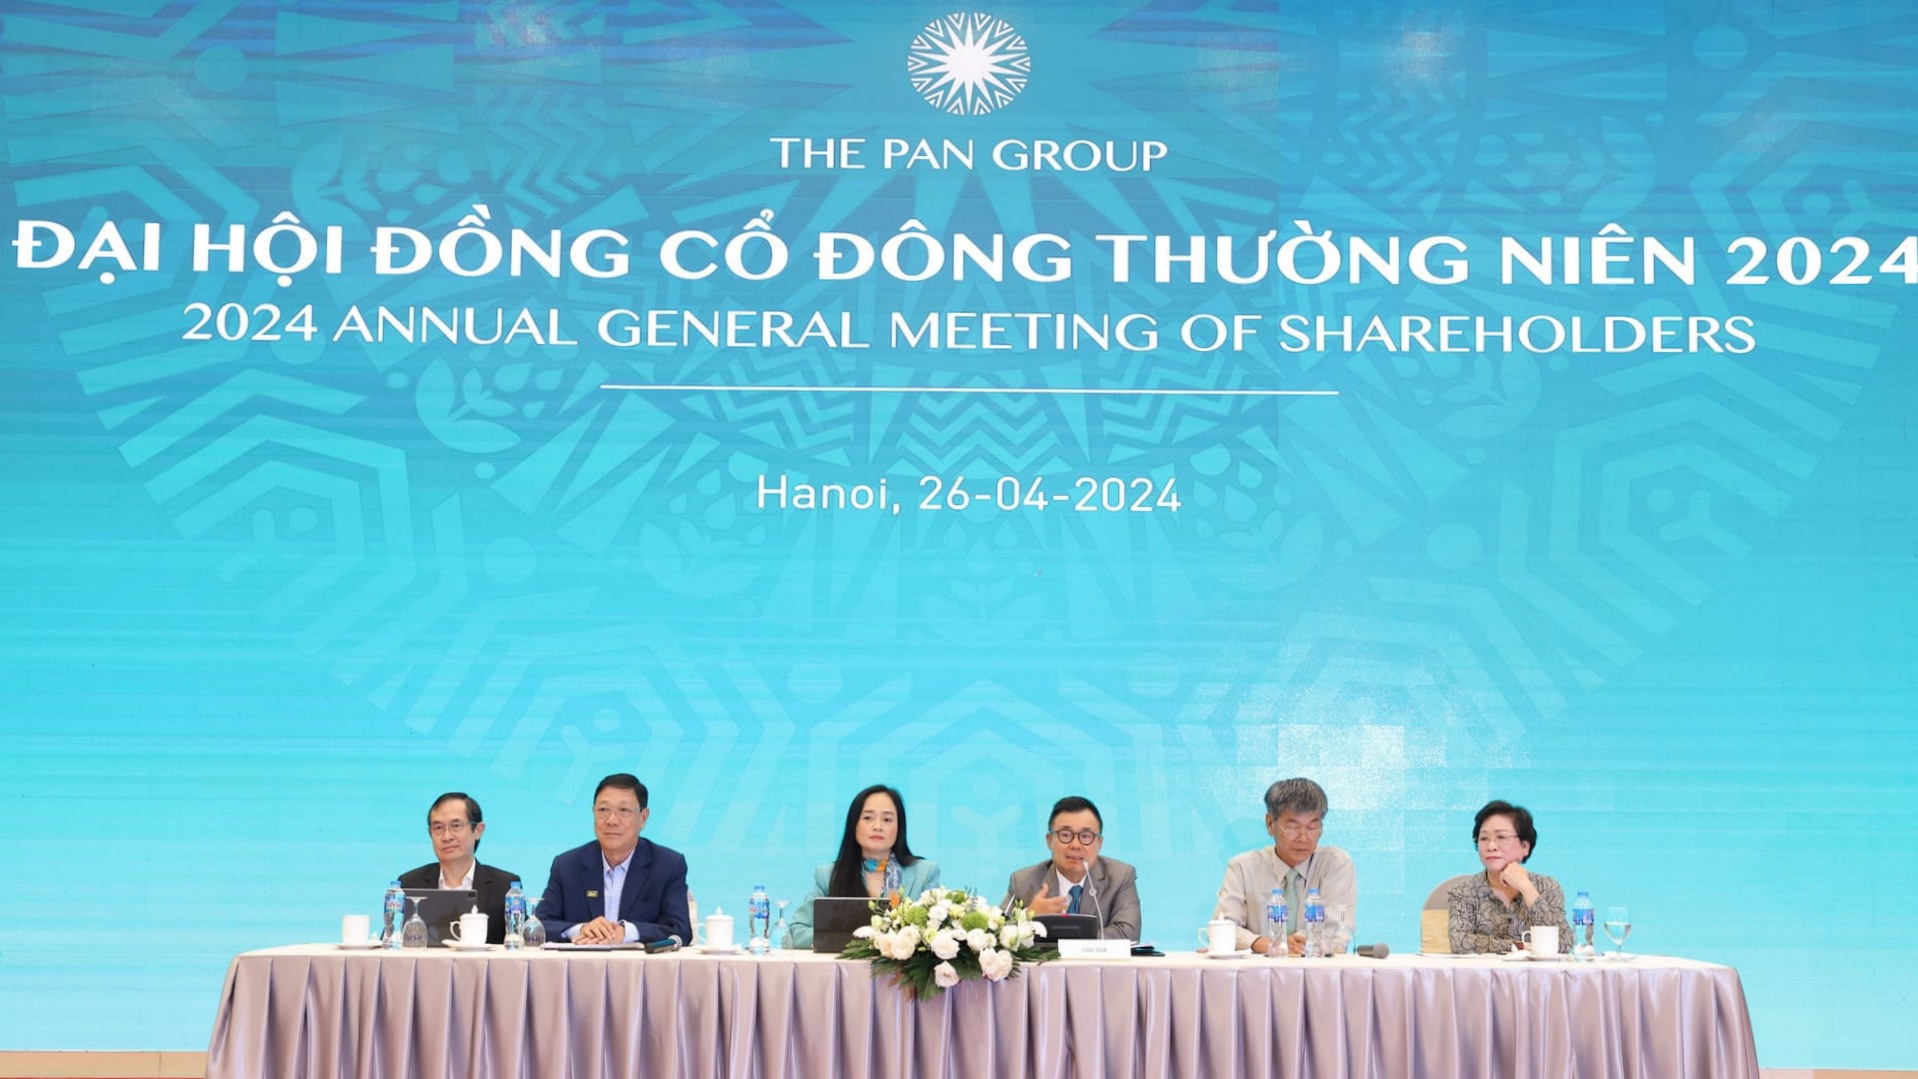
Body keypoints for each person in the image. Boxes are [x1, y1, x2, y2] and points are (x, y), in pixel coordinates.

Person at [535, 773, 691, 945]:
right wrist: (580, 929)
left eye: (623, 810)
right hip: (583, 962)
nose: (611, 820)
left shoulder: (667, 865)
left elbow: (680, 930)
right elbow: (539, 925)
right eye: (603, 810)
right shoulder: (567, 866)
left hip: (639, 962)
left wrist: (627, 932)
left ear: (643, 817)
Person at [1213, 777, 1356, 955]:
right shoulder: (1242, 867)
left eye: (1312, 827)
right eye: (1292, 827)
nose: (1303, 838)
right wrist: (1266, 944)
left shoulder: (1335, 863)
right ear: (1270, 824)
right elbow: (1223, 927)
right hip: (1261, 970)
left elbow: (1336, 929)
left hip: (1317, 968)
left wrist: (1298, 944)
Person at [787, 785, 939, 948]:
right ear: (854, 825)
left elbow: (937, 933)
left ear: (899, 828)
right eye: (868, 818)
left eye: (887, 820)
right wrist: (851, 939)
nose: (878, 826)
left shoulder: (925, 873)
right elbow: (797, 933)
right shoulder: (829, 876)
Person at [1001, 795, 1140, 941]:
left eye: (1085, 836)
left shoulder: (1120, 877)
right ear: (1049, 840)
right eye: (1066, 835)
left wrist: (1066, 939)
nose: (1075, 845)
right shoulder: (1023, 882)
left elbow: (1128, 934)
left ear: (1099, 843)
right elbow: (996, 935)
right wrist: (1028, 916)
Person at [1447, 799, 1570, 954]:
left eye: (1501, 837)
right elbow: (1460, 942)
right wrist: (1517, 946)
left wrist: (1526, 888)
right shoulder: (1463, 891)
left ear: (1525, 847)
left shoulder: (1547, 887)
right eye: (1483, 838)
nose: (1491, 846)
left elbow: (1563, 943)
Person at [397, 792, 520, 944]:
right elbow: (390, 942)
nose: (446, 836)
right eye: (438, 828)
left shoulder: (504, 886)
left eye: (456, 826)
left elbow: (519, 945)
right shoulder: (410, 884)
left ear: (478, 830)